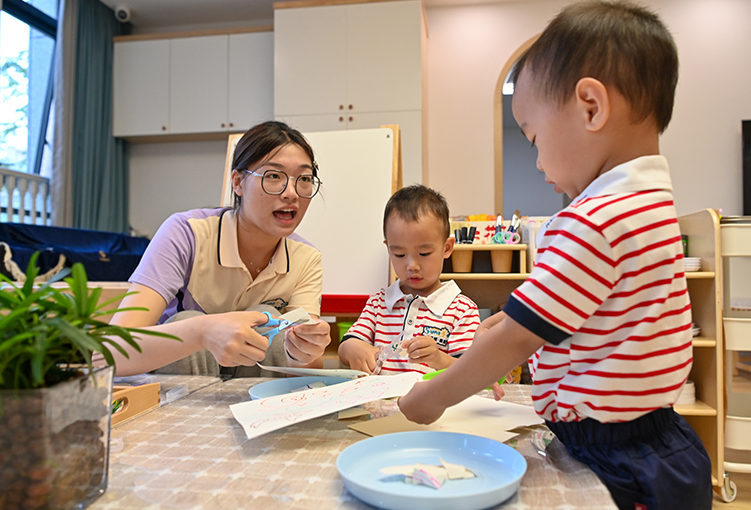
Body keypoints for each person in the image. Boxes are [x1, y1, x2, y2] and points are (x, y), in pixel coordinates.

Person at [398, 2, 712, 509]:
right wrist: (497, 326)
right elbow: (560, 313)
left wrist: (430, 399)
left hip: (616, 459)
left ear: (591, 107)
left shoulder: (594, 219)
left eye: (535, 138)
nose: (539, 162)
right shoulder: (650, 205)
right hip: (658, 442)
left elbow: (522, 337)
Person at [102, 121, 332, 377]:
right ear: (238, 182)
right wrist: (201, 332)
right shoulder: (186, 233)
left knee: (266, 317)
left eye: (304, 179)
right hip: (176, 396)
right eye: (274, 176)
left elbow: (308, 371)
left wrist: (306, 351)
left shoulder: (306, 258)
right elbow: (108, 356)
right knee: (187, 321)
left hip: (257, 405)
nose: (291, 193)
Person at [337, 184, 480, 376]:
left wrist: (439, 359)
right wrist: (352, 347)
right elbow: (347, 346)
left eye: (424, 253)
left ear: (447, 248)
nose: (412, 265)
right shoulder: (379, 303)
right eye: (400, 254)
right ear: (388, 249)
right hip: (380, 401)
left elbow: (472, 372)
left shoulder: (462, 310)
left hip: (433, 404)